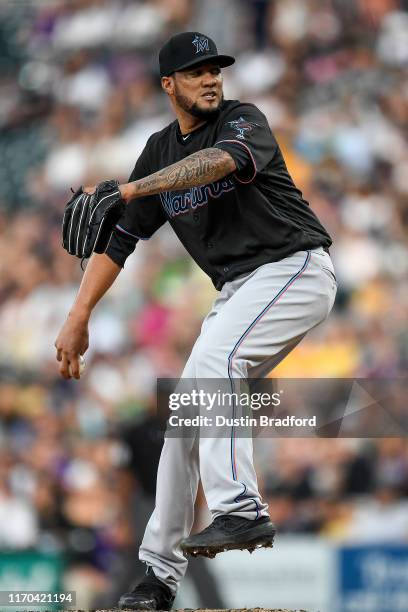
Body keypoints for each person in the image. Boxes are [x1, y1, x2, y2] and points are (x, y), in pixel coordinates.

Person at [55, 31, 337, 610]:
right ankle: (158, 579)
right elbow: (118, 242)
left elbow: (217, 163)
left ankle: (240, 510)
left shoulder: (241, 120)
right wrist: (77, 316)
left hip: (294, 267)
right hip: (240, 288)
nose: (210, 78)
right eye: (195, 71)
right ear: (168, 84)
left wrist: (126, 188)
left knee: (217, 362)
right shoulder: (159, 149)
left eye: (215, 68)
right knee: (185, 417)